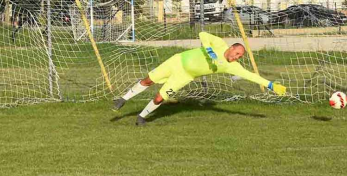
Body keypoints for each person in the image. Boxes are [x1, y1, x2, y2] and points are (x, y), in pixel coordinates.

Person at [112, 32, 287, 126]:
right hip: (177, 61)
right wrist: (209, 50)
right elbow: (203, 34)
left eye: (240, 56)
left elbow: (251, 76)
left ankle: (141, 118)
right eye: (237, 53)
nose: (237, 57)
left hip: (186, 76)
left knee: (160, 97)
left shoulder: (232, 66)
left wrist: (270, 84)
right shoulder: (219, 44)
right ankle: (123, 99)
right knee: (148, 80)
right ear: (232, 48)